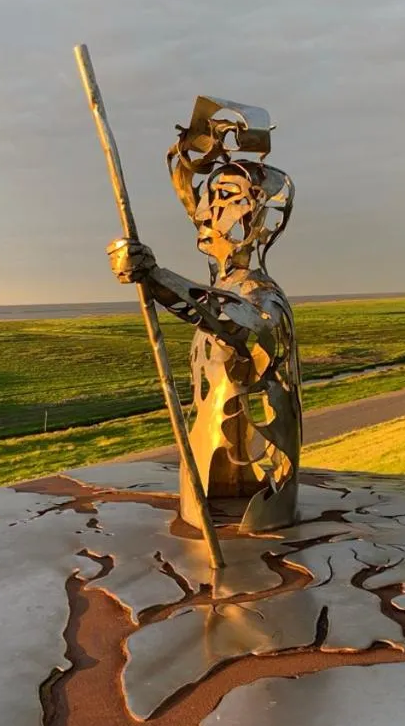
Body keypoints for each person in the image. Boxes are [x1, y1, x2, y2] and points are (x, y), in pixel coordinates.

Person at [108, 98, 301, 532]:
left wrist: (156, 278)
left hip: (264, 505)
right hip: (209, 467)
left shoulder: (261, 295)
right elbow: (184, 179)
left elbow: (235, 323)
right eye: (209, 200)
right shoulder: (225, 281)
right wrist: (203, 139)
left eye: (226, 200)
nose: (206, 213)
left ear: (257, 218)